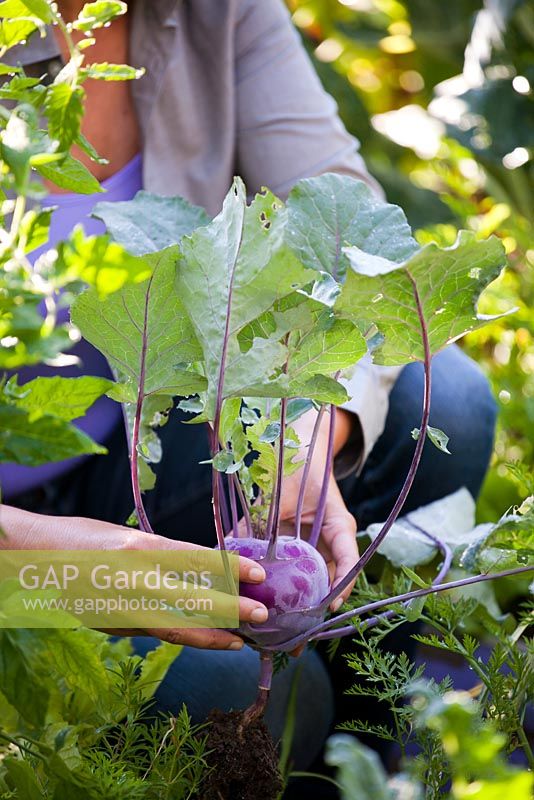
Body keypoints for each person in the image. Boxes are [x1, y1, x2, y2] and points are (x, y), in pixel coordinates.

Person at [1, 0, 497, 777]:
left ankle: (378, 769)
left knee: (447, 403)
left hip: (131, 444)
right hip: (17, 539)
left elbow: (347, 223)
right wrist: (71, 564)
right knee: (223, 680)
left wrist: (313, 423)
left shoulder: (216, 10)